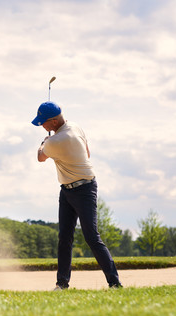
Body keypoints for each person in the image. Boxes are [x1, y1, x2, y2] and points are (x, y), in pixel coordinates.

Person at [32, 101, 122, 290]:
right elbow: (87, 152)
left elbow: (40, 157)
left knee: (91, 236)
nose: (42, 126)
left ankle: (114, 283)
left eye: (43, 123)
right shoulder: (75, 126)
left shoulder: (57, 140)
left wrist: (44, 143)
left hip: (84, 190)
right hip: (67, 189)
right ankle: (62, 284)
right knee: (64, 237)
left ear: (54, 122)